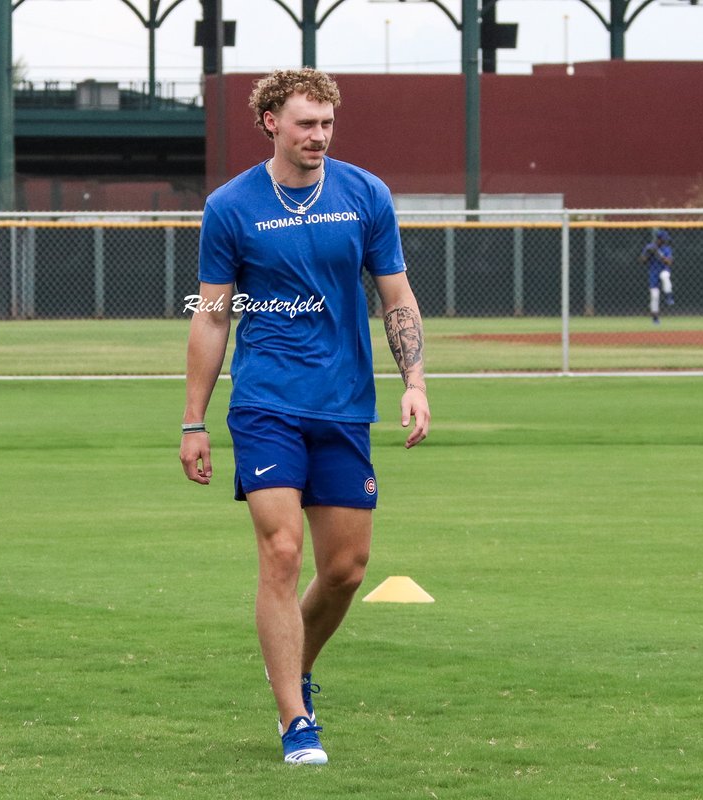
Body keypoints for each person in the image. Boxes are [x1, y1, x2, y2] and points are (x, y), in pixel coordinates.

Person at [178, 67, 430, 765]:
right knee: (282, 550)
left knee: (347, 567)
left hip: (345, 405)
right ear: (270, 123)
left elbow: (397, 296)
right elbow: (212, 315)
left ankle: (291, 666)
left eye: (326, 124)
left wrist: (415, 379)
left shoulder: (364, 194)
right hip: (264, 404)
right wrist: (193, 419)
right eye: (304, 124)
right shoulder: (231, 207)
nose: (318, 136)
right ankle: (295, 721)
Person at [639, 228, 675, 325]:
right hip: (653, 273)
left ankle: (669, 296)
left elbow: (669, 262)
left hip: (663, 270)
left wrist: (658, 254)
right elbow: (642, 261)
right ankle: (655, 318)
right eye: (664, 239)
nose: (665, 241)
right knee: (654, 295)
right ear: (659, 239)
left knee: (665, 276)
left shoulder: (666, 249)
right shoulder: (649, 247)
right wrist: (648, 254)